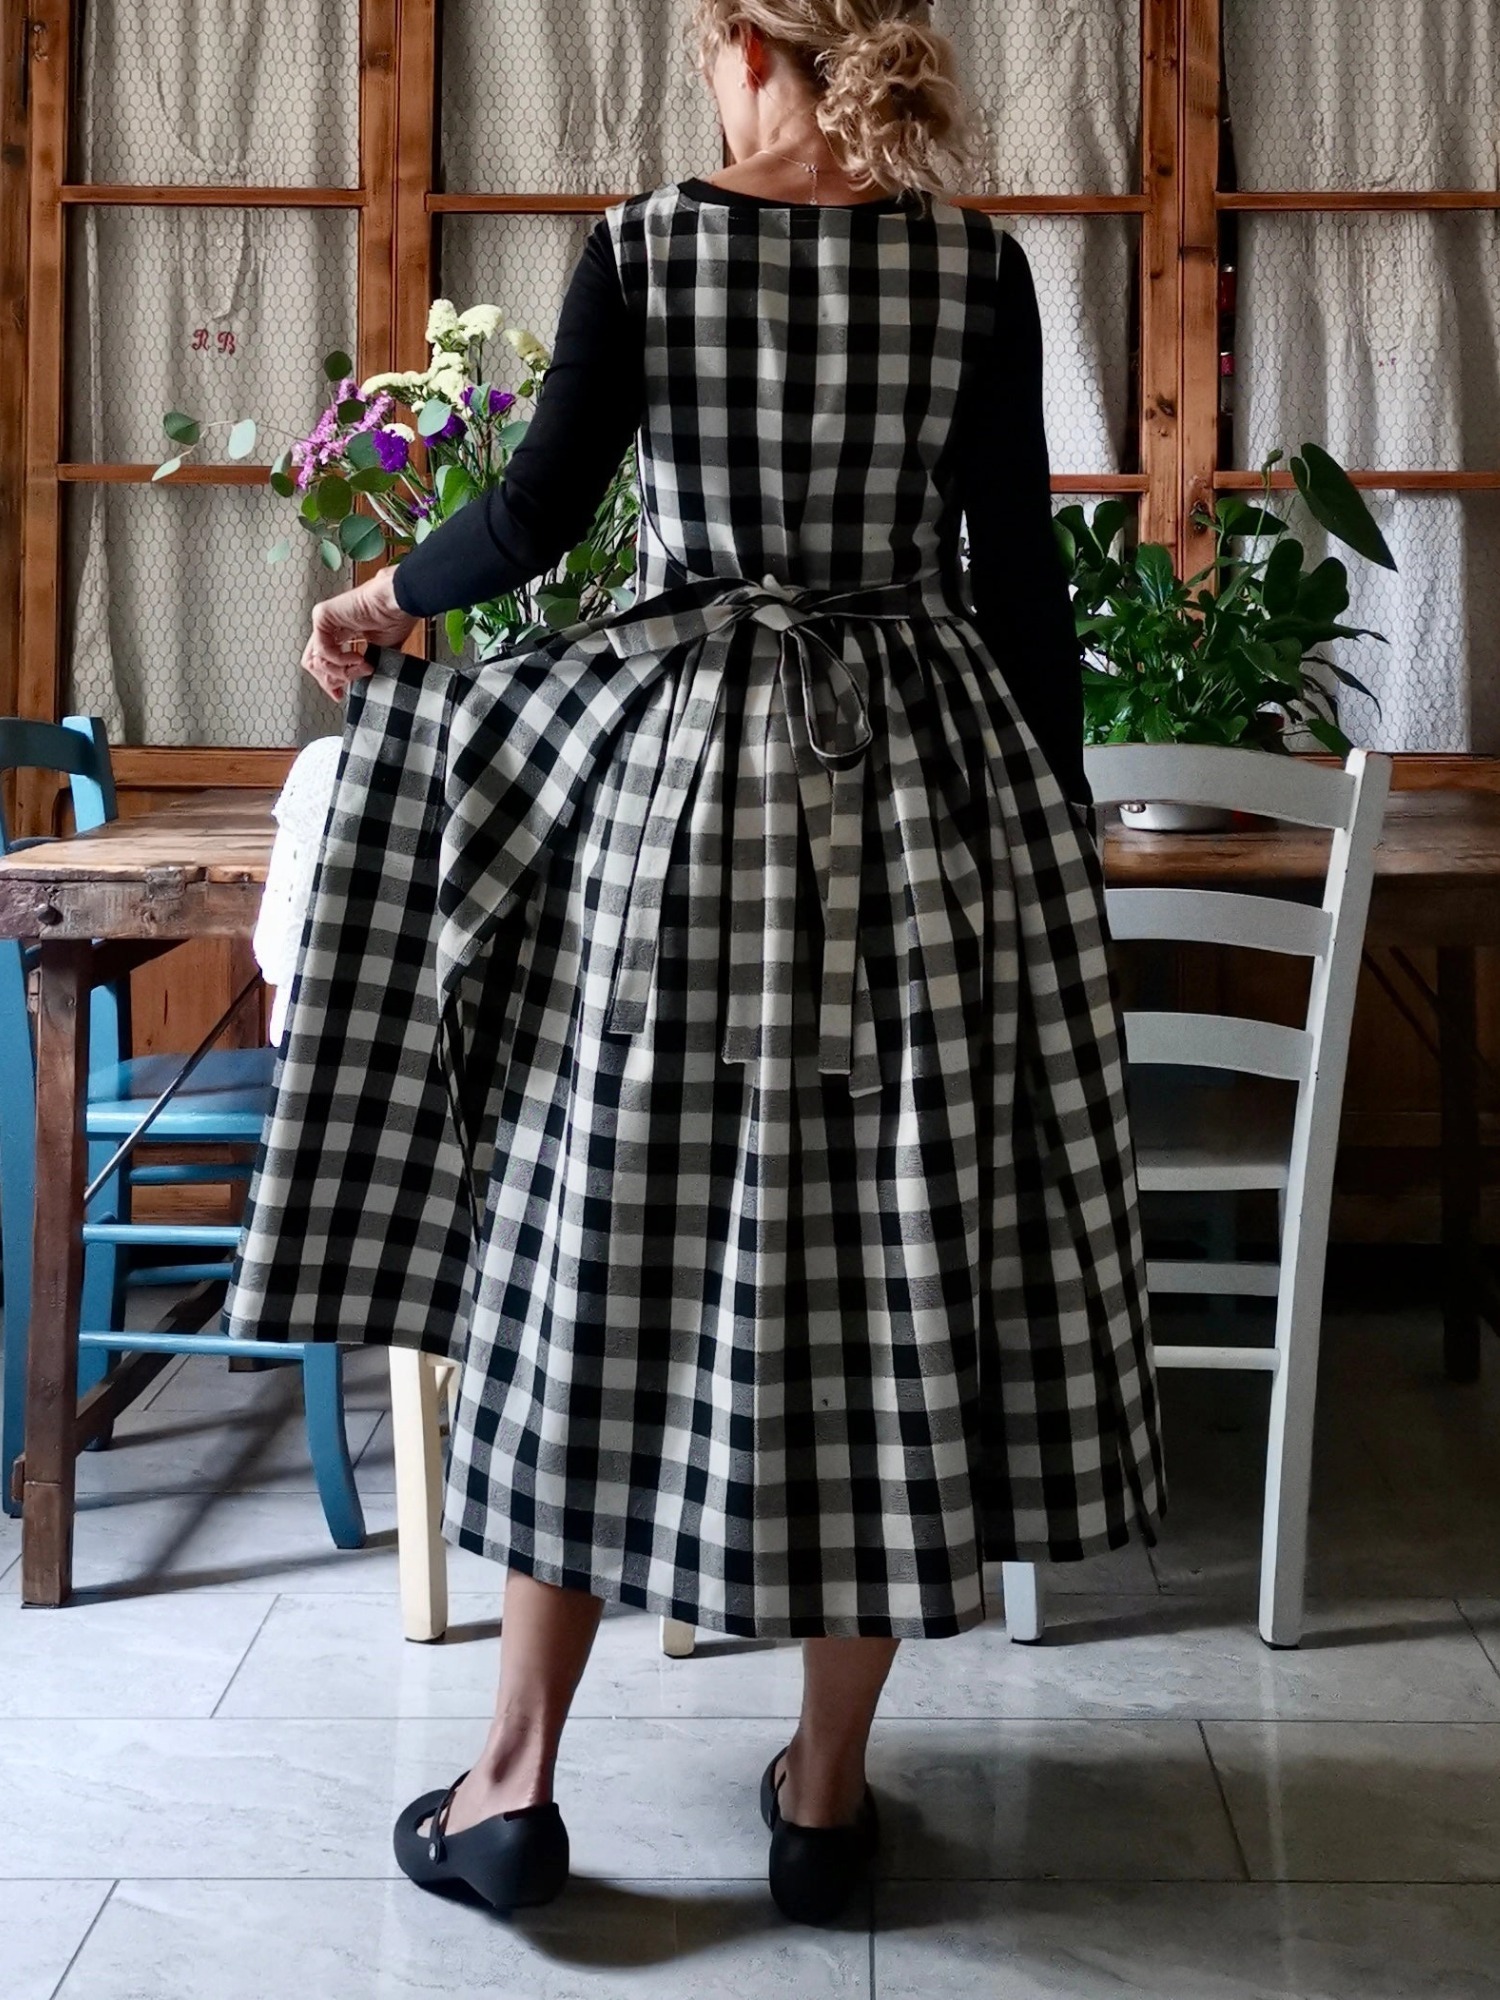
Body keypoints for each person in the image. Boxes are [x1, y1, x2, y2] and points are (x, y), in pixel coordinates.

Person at [226, 0, 1163, 1928]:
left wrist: (379, 595)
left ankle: (511, 1789)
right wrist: (1052, 829)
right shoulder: (978, 269)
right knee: (894, 1266)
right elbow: (1017, 582)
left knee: (602, 1253)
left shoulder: (646, 244)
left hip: (686, 817)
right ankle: (824, 1803)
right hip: (927, 811)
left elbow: (536, 515)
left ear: (743, 42)